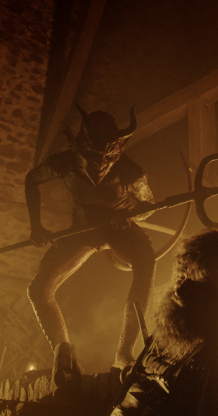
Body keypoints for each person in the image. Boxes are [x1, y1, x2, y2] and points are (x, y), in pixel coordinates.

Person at [78, 229, 218, 416]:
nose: (181, 290)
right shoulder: (168, 339)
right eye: (182, 274)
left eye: (196, 281)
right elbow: (135, 387)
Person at [25, 104, 156, 377]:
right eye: (93, 157)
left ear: (117, 153)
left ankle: (124, 353)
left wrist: (129, 216)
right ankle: (65, 357)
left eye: (108, 158)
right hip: (82, 230)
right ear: (79, 150)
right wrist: (36, 226)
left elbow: (149, 207)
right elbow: (32, 179)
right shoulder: (64, 164)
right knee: (39, 291)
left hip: (119, 230)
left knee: (146, 260)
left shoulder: (131, 172)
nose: (100, 165)